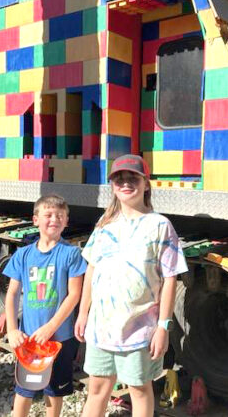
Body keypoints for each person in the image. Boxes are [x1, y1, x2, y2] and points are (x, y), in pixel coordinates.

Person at [74, 154, 188, 417]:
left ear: (146, 184)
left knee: (139, 389)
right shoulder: (104, 225)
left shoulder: (160, 225)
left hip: (139, 329)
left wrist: (163, 327)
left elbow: (170, 278)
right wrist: (83, 313)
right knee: (97, 388)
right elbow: (92, 270)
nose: (126, 184)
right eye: (119, 179)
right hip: (102, 326)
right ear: (113, 187)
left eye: (133, 178)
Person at [4, 194, 87, 417]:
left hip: (60, 338)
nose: (54, 219)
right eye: (48, 215)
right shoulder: (22, 255)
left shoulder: (71, 254)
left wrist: (50, 327)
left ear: (66, 221)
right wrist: (12, 330)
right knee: (24, 389)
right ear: (36, 220)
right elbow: (12, 294)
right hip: (29, 338)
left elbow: (74, 295)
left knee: (54, 391)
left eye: (60, 216)